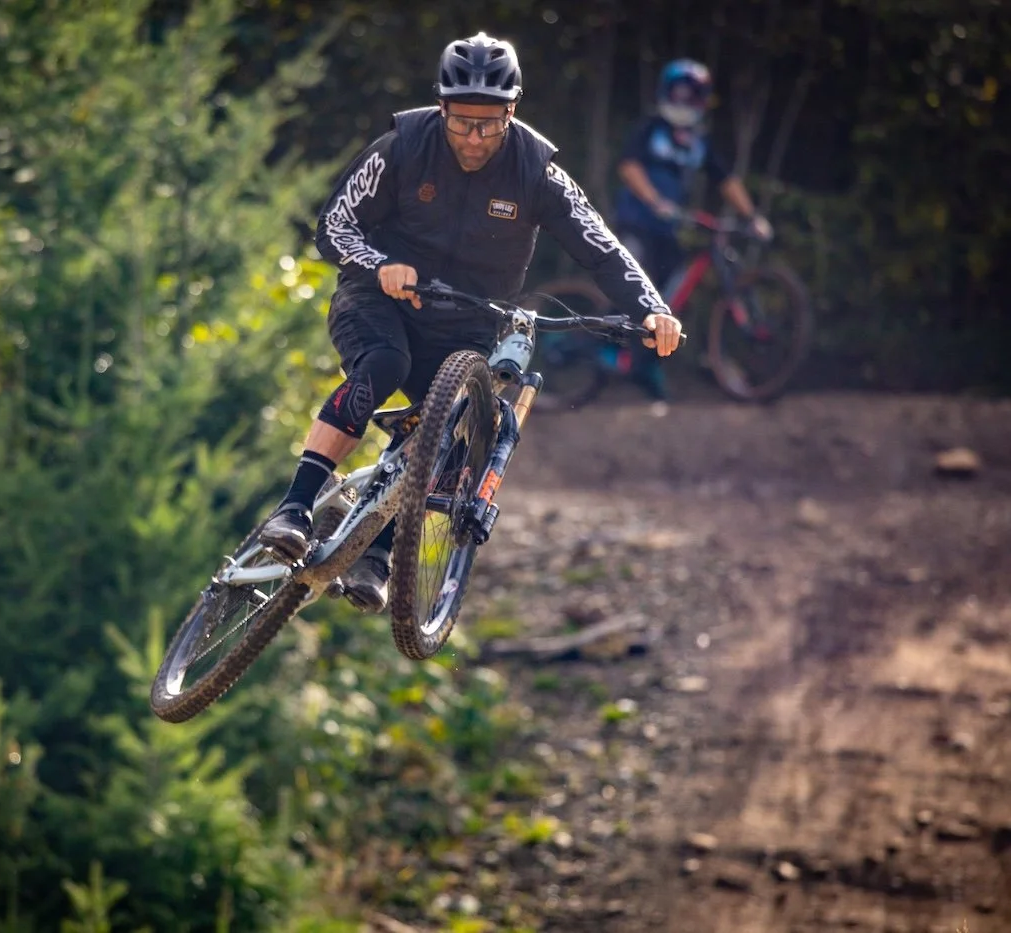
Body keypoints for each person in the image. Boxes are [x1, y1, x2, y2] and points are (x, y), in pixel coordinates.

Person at [258, 32, 681, 613]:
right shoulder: (401, 148)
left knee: (455, 424)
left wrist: (652, 307)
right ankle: (295, 507)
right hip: (379, 300)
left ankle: (378, 554)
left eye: (489, 124)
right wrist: (380, 265)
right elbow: (334, 225)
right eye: (461, 122)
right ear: (441, 106)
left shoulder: (537, 171)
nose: (474, 138)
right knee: (384, 364)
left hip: (467, 323)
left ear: (512, 111)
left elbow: (601, 248)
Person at [612, 58, 772, 400]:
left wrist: (752, 217)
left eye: (692, 95)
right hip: (636, 223)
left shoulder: (699, 142)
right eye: (680, 93)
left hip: (669, 232)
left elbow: (726, 179)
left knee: (668, 300)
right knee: (629, 284)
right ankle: (605, 348)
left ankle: (644, 365)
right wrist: (655, 201)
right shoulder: (650, 128)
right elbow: (629, 167)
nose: (685, 102)